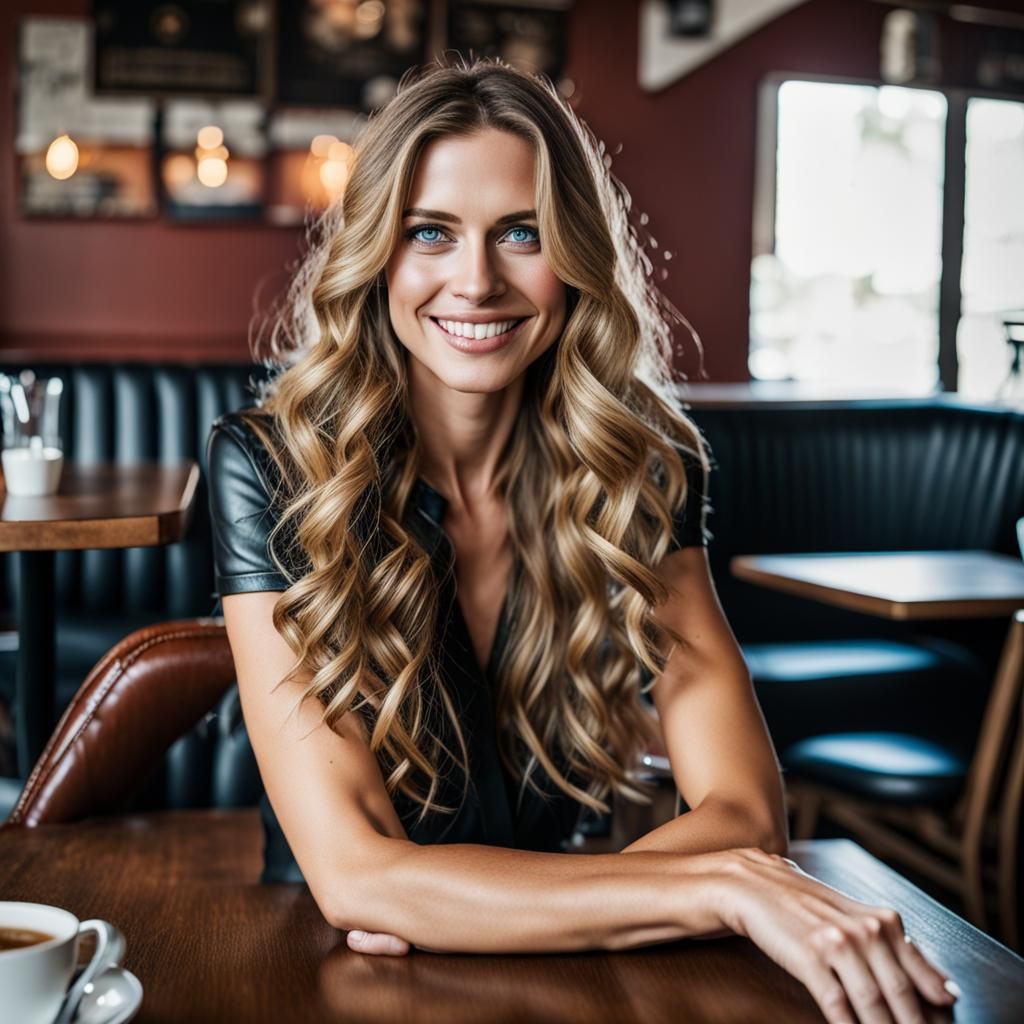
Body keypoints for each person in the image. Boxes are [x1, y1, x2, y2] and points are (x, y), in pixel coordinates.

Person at [208, 58, 958, 1023]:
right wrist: (718, 886)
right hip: (338, 974)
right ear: (378, 257)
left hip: (562, 980)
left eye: (521, 233)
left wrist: (469, 903)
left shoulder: (640, 466)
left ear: (573, 257)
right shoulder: (273, 465)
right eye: (429, 232)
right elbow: (358, 882)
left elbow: (744, 813)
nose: (475, 282)